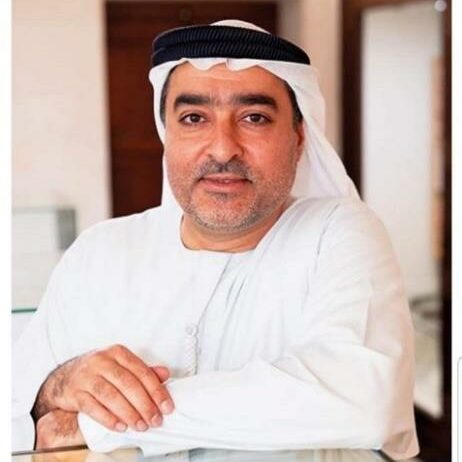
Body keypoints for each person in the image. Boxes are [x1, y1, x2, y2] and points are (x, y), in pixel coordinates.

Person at [13, 20, 418, 459]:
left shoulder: (337, 232)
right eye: (194, 118)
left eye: (254, 118)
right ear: (167, 135)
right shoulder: (100, 252)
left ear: (299, 138)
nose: (223, 149)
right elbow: (18, 413)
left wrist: (96, 426)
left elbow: (361, 402)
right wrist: (56, 387)